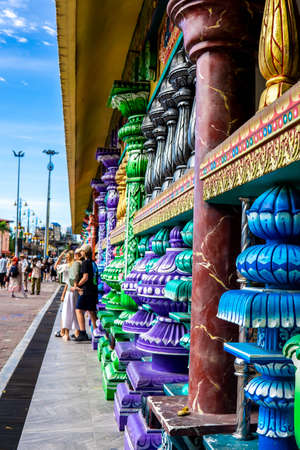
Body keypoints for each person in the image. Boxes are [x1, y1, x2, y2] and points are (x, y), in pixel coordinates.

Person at [73, 244, 98, 342]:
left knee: (79, 309)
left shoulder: (85, 263)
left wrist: (78, 285)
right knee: (91, 311)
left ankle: (82, 332)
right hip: (93, 289)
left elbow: (85, 277)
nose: (80, 253)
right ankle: (96, 331)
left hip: (86, 290)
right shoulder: (93, 263)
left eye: (82, 251)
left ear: (84, 252)